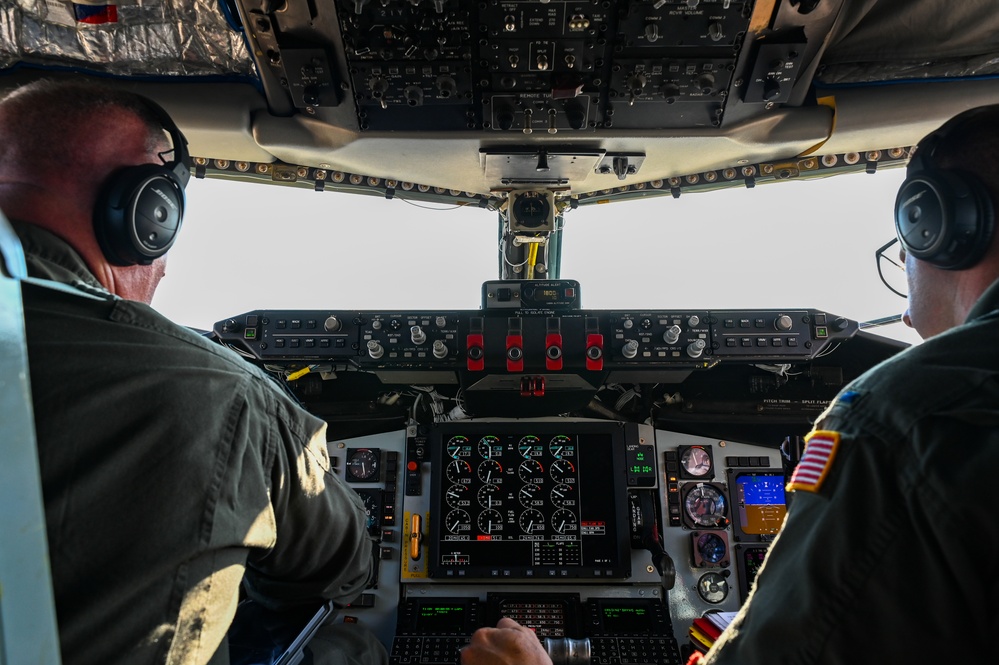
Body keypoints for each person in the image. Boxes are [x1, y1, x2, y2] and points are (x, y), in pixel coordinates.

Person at [461, 105, 999, 665]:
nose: (907, 302)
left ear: (937, 226)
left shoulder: (903, 416)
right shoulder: (922, 410)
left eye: (904, 251)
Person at [0, 78, 387, 665]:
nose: (161, 272)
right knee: (348, 646)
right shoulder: (219, 389)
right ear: (147, 215)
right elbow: (341, 567)